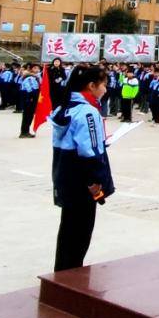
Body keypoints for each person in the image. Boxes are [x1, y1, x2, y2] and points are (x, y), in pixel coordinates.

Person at [51, 63, 114, 271]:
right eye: (103, 84)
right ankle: (70, 277)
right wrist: (95, 183)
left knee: (68, 230)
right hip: (83, 180)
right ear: (92, 85)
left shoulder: (65, 106)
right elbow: (89, 151)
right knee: (80, 232)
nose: (105, 89)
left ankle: (62, 271)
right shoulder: (88, 112)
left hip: (65, 174)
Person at [19, 65, 41, 138]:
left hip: (30, 98)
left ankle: (26, 131)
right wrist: (32, 97)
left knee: (29, 116)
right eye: (35, 68)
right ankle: (24, 132)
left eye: (38, 68)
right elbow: (31, 89)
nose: (37, 69)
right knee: (27, 116)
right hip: (29, 99)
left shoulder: (35, 77)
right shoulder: (30, 78)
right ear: (31, 69)